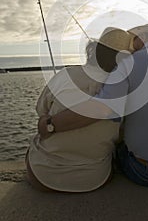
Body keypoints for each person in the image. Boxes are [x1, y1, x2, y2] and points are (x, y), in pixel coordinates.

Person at [38, 23, 148, 187]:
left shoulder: (128, 63)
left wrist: (51, 124)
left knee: (118, 144)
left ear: (143, 37)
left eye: (132, 39)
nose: (131, 46)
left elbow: (101, 109)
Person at [26, 27, 134, 192]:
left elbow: (41, 111)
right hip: (94, 179)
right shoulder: (126, 91)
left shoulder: (65, 74)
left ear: (94, 51)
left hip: (42, 176)